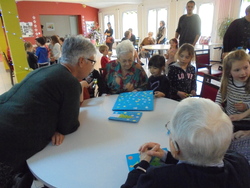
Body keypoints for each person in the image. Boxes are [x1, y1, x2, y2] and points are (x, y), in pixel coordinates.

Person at [0, 35, 96, 187]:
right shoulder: (70, 82)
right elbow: (69, 126)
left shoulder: (46, 70)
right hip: (10, 141)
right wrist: (58, 127)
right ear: (82, 61)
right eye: (92, 61)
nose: (93, 66)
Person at [121, 97, 250, 188]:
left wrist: (142, 164)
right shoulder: (239, 162)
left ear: (176, 148)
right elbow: (199, 166)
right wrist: (167, 156)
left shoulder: (158, 178)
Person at [215, 49, 250, 132]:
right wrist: (217, 105)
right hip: (230, 117)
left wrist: (246, 106)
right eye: (237, 70)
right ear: (229, 72)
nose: (243, 73)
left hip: (246, 122)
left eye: (246, 67)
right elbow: (221, 94)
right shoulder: (228, 81)